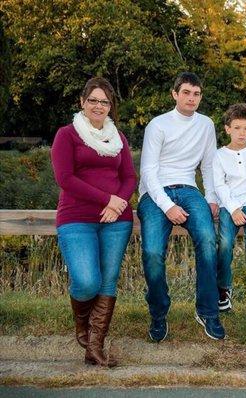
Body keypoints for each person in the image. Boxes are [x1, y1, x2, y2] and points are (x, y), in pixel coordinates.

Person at [51, 77, 136, 367]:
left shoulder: (118, 138)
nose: (99, 106)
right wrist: (106, 200)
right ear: (82, 102)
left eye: (104, 101)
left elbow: (129, 178)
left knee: (108, 281)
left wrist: (118, 203)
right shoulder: (67, 135)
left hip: (117, 220)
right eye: (93, 100)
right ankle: (82, 327)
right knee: (87, 282)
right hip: (77, 218)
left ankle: (95, 346)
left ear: (110, 106)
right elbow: (65, 178)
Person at [138, 72, 225, 341]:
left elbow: (209, 165)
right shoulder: (158, 125)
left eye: (196, 94)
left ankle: (208, 311)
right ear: (175, 94)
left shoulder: (206, 124)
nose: (191, 98)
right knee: (152, 251)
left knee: (209, 240)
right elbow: (148, 172)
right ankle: (158, 312)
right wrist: (167, 207)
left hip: (189, 189)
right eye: (186, 92)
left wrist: (212, 197)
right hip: (155, 193)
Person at [213, 103, 246, 309]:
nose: (242, 133)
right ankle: (224, 288)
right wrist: (234, 208)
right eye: (237, 128)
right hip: (229, 205)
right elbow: (219, 184)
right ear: (228, 129)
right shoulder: (219, 155)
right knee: (225, 243)